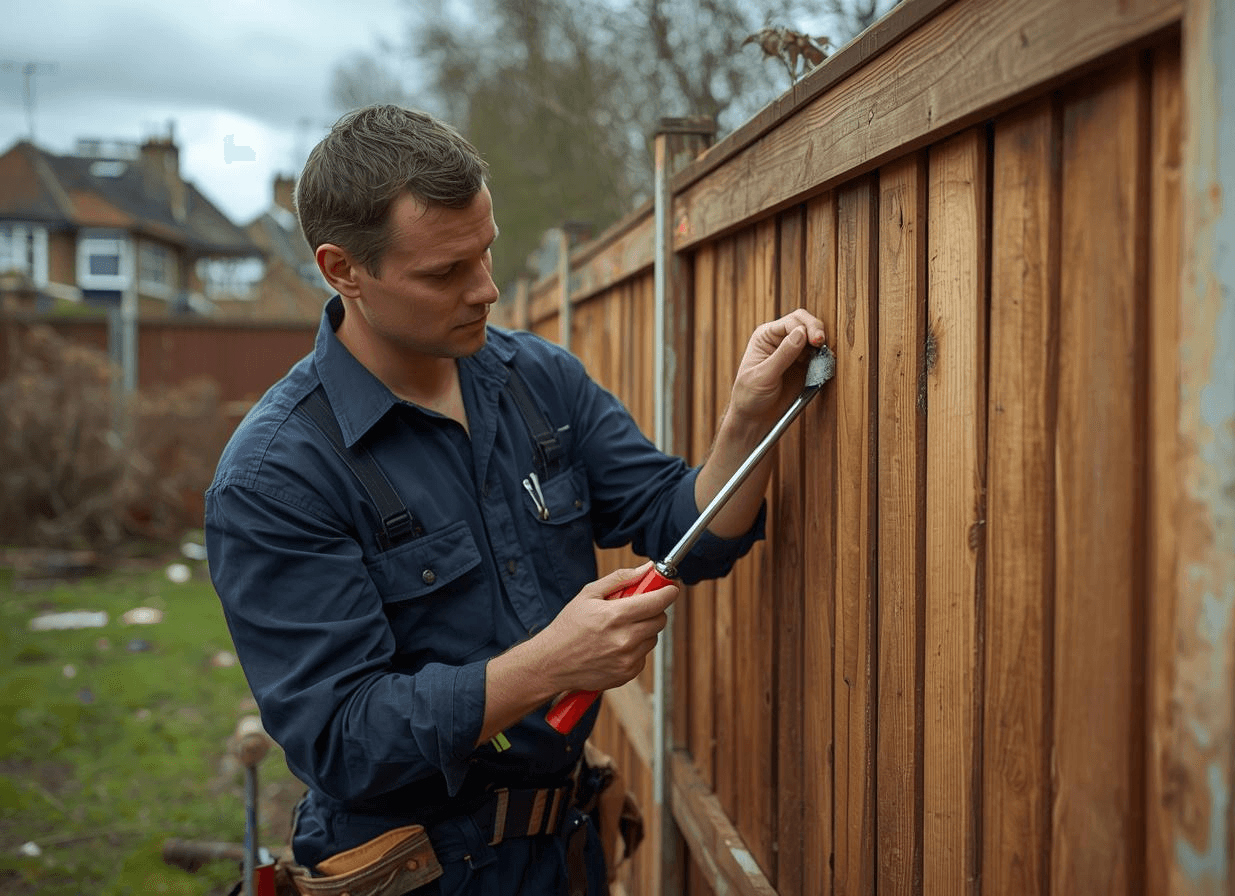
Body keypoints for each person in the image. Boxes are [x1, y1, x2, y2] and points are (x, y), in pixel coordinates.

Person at [205, 104, 826, 896]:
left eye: (486, 254)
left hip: (566, 849)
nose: (487, 290)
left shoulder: (539, 382)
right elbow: (341, 739)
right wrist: (548, 665)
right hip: (416, 871)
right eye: (444, 273)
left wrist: (747, 423)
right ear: (343, 271)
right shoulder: (276, 476)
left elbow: (689, 531)